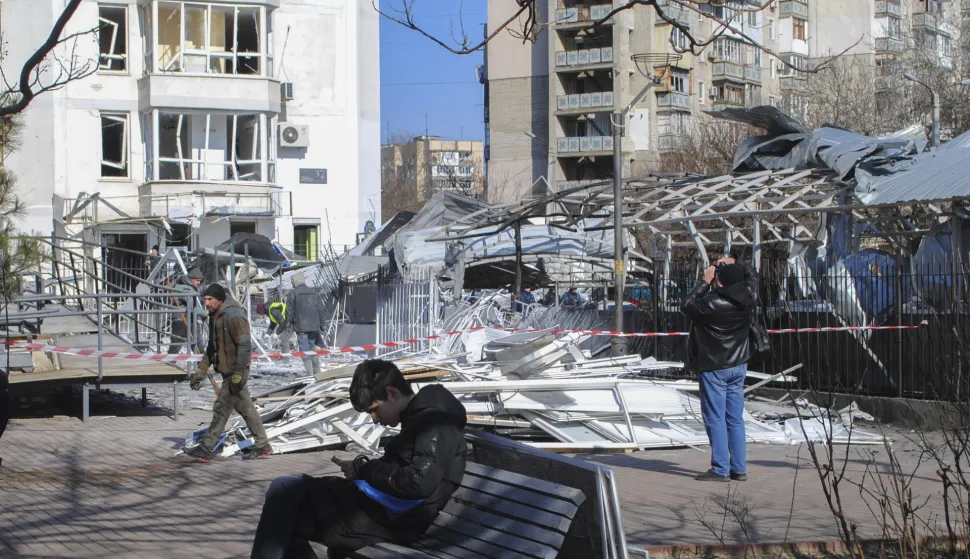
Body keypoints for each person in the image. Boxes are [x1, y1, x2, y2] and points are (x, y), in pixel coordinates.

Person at [249, 359, 467, 559]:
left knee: (285, 498)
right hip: (380, 511)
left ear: (391, 393)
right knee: (284, 506)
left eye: (374, 410)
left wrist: (365, 469)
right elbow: (408, 471)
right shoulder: (423, 419)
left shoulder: (435, 423)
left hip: (390, 521)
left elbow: (418, 482)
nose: (374, 419)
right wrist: (360, 470)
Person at [680, 257, 757, 482]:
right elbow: (753, 276)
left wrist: (704, 282)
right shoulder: (748, 297)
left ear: (718, 281)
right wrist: (737, 262)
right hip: (738, 363)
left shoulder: (710, 303)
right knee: (735, 418)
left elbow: (686, 303)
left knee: (715, 417)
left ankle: (720, 468)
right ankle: (739, 468)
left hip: (714, 365)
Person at [184, 283, 272, 462]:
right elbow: (212, 348)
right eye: (205, 299)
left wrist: (239, 373)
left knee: (221, 408)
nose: (206, 303)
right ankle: (263, 445)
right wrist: (201, 371)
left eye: (210, 299)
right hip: (228, 370)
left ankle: (206, 447)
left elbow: (245, 346)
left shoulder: (234, 316)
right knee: (245, 407)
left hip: (236, 370)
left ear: (220, 300)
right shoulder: (215, 316)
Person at [283, 271, 329, 375]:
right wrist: (323, 325)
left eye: (292, 281)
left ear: (295, 281)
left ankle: (310, 374)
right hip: (314, 326)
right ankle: (317, 372)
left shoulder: (293, 294)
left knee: (304, 350)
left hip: (301, 326)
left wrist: (288, 324)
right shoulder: (314, 292)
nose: (292, 283)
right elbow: (320, 309)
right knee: (312, 347)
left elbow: (289, 312)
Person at [168, 268, 206, 354]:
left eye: (200, 281)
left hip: (191, 319)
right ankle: (170, 360)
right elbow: (192, 306)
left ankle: (202, 363)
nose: (199, 282)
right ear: (191, 279)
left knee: (196, 342)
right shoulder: (185, 288)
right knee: (177, 342)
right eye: (197, 280)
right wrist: (205, 314)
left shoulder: (192, 287)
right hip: (181, 319)